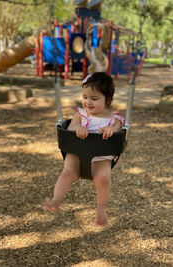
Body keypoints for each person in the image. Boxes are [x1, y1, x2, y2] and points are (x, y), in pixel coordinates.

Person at [44, 72, 125, 226]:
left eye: (94, 98)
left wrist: (110, 130)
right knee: (67, 173)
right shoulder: (80, 115)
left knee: (104, 178)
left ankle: (101, 207)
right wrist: (78, 127)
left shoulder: (114, 118)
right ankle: (56, 199)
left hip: (101, 157)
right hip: (77, 154)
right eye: (85, 97)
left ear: (107, 100)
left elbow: (117, 129)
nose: (88, 102)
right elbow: (71, 127)